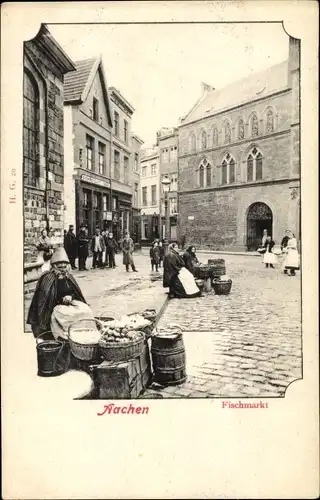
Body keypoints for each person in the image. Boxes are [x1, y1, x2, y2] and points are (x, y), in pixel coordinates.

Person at [27, 247, 94, 340]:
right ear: (54, 265)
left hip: (68, 304)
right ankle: (62, 336)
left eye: (64, 264)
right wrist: (61, 300)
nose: (62, 266)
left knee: (86, 311)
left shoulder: (69, 277)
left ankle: (82, 334)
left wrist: (71, 296)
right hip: (53, 308)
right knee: (64, 317)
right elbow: (44, 300)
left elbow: (76, 293)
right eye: (59, 264)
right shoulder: (48, 277)